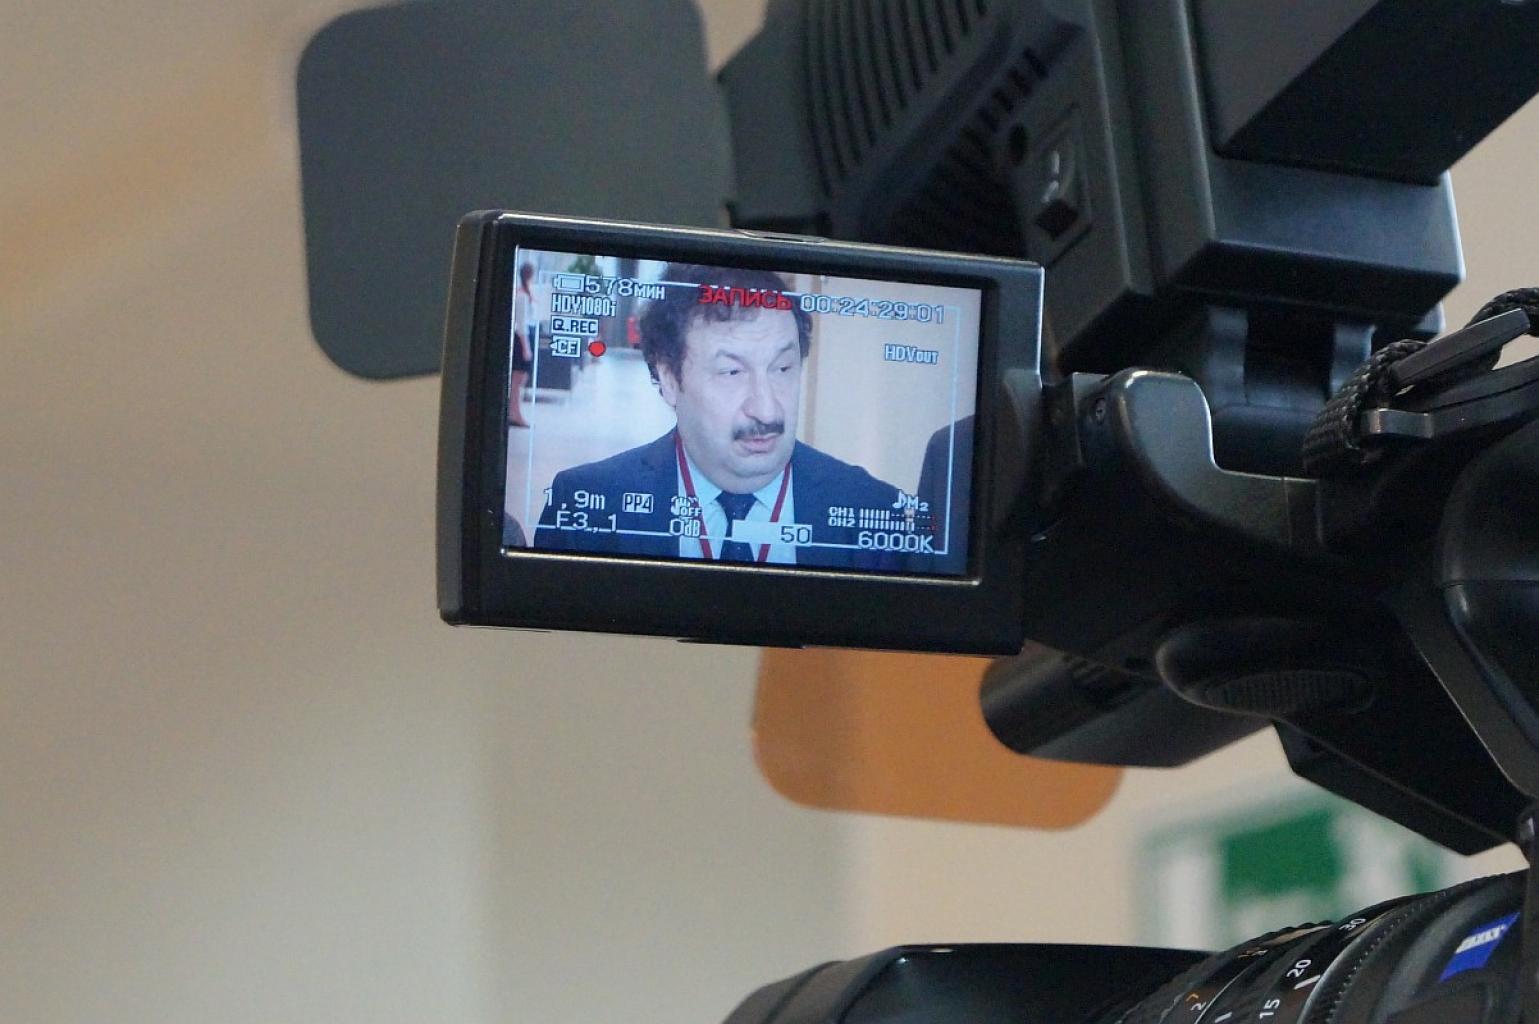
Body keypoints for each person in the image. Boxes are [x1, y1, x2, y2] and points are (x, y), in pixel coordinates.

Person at [533, 263, 914, 570]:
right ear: (669, 379)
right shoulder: (584, 506)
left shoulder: (876, 512)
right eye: (732, 372)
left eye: (782, 368)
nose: (766, 409)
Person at [508, 262, 535, 428]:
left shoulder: (524, 293)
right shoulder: (522, 296)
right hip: (522, 339)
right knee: (518, 379)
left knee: (519, 379)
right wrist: (526, 348)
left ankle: (514, 412)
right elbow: (521, 324)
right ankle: (515, 414)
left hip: (523, 338)